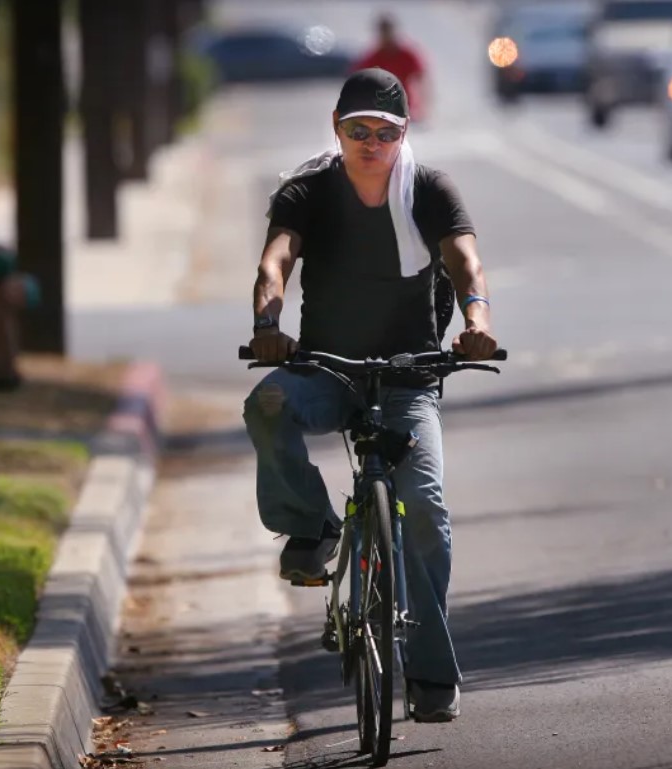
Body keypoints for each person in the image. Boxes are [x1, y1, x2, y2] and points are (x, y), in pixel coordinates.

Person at [241, 68, 498, 723]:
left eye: (384, 132)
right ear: (337, 127)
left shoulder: (429, 190)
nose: (370, 142)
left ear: (402, 135)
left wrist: (476, 322)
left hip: (409, 376)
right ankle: (313, 525)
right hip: (326, 367)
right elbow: (276, 260)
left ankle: (431, 672)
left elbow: (464, 260)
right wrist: (268, 325)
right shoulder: (309, 190)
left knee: (427, 509)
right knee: (266, 404)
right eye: (358, 129)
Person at [351, 14, 430, 121]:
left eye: (387, 31)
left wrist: (423, 108)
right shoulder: (373, 57)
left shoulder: (406, 55)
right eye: (383, 32)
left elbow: (421, 79)